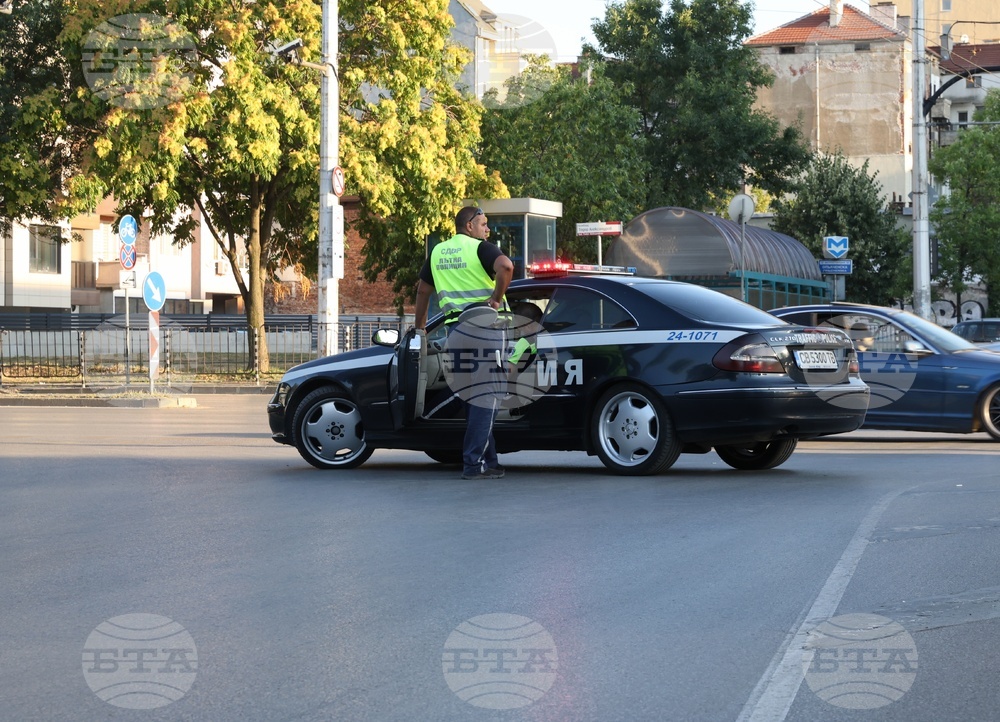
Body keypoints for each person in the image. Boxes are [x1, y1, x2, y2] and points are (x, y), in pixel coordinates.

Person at [415, 206, 514, 480]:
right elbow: (506, 266)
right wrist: (496, 297)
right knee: (489, 396)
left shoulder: (437, 252)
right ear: (469, 226)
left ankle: (488, 461)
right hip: (486, 329)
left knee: (475, 399)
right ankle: (474, 463)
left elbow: (423, 290)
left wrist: (420, 328)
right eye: (483, 224)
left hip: (455, 333)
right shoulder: (479, 248)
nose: (488, 229)